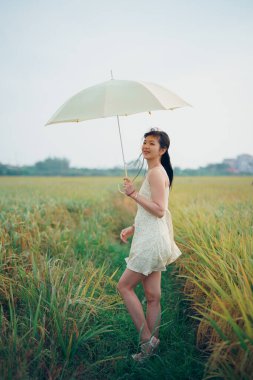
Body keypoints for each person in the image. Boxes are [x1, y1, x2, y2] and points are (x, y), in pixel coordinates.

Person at [117, 128, 182, 362]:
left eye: (152, 143)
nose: (145, 146)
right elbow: (153, 210)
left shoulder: (156, 173)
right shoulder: (155, 171)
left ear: (162, 150)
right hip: (156, 238)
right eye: (144, 142)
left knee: (124, 287)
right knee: (153, 296)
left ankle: (148, 339)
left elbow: (159, 210)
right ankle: (149, 352)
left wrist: (133, 194)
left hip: (151, 242)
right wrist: (134, 227)